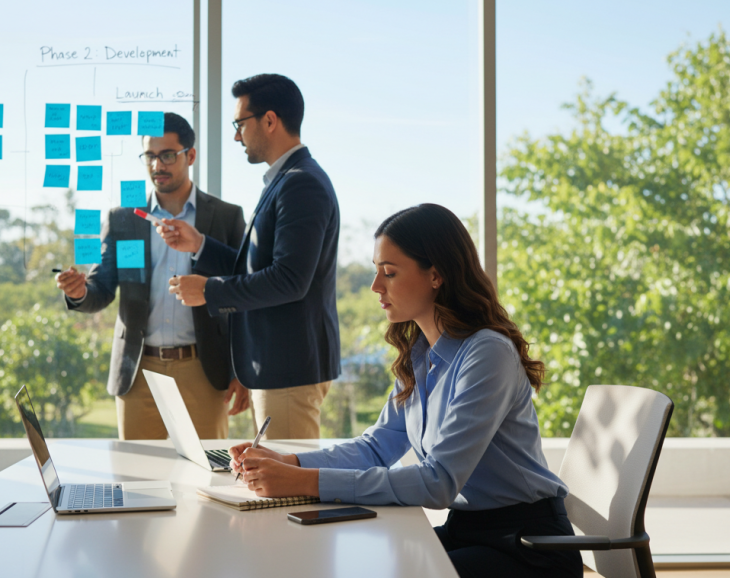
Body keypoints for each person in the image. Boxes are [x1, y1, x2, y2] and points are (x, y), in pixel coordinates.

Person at [225, 204, 583, 578]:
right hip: (469, 532)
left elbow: (438, 482)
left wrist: (303, 482)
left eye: (389, 273)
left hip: (527, 548)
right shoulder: (420, 354)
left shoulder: (487, 352)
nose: (375, 286)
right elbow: (376, 448)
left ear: (436, 275)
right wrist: (289, 463)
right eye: (376, 271)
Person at [157, 74, 340, 440]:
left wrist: (210, 291)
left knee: (288, 490)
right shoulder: (285, 180)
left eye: (240, 123)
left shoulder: (300, 183)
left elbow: (289, 280)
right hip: (278, 370)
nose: (236, 136)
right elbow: (259, 267)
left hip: (288, 370)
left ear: (269, 121)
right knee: (277, 484)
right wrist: (201, 246)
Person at [55, 112, 249, 440]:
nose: (158, 165)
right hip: (138, 371)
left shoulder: (226, 216)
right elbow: (101, 288)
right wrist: (78, 293)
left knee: (206, 480)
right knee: (136, 481)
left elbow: (244, 293)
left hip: (204, 370)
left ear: (190, 155)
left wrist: (241, 371)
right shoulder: (123, 220)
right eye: (150, 156)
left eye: (168, 155)